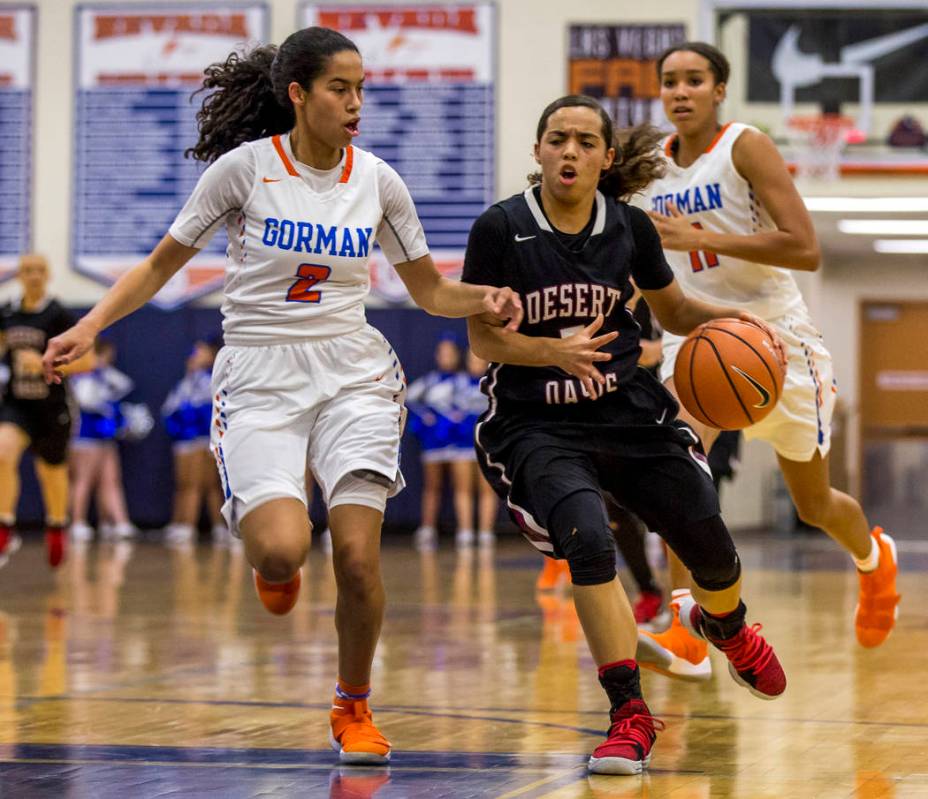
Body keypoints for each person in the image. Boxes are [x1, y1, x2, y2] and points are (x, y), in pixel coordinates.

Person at [42, 27, 521, 765]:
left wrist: (482, 298)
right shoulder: (244, 171)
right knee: (279, 549)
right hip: (261, 375)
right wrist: (89, 325)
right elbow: (160, 265)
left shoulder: (380, 182)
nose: (356, 103)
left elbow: (428, 291)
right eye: (340, 88)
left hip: (353, 371)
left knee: (359, 560)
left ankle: (352, 703)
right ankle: (276, 564)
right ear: (298, 94)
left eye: (363, 88)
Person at [463, 94, 786, 776]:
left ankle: (724, 625)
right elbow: (481, 336)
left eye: (585, 140)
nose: (570, 150)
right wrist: (552, 351)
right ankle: (629, 714)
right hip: (536, 420)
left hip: (629, 413)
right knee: (589, 539)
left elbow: (676, 309)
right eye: (557, 138)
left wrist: (746, 326)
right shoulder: (499, 228)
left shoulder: (631, 229)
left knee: (711, 548)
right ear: (538, 151)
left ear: (607, 158)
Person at [638, 42, 899, 680]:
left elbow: (805, 248)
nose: (680, 92)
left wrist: (700, 237)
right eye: (669, 81)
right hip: (695, 333)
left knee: (813, 503)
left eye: (694, 80)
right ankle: (687, 627)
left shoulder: (744, 145)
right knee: (677, 466)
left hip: (774, 335)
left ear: (719, 88)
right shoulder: (650, 169)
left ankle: (874, 560)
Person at [0, 254, 94, 568]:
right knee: (2, 452)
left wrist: (45, 363)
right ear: (19, 275)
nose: (34, 276)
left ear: (49, 274)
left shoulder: (59, 315)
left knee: (51, 474)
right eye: (28, 270)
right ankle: (5, 526)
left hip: (53, 407)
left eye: (40, 270)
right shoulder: (8, 313)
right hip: (18, 403)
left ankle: (56, 526)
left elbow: (87, 362)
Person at [406, 333, 478, 550]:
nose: (446, 357)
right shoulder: (429, 381)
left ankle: (465, 532)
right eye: (442, 353)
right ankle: (427, 530)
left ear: (458, 356)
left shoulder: (465, 381)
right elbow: (408, 398)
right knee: (432, 486)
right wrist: (427, 418)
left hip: (460, 443)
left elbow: (475, 403)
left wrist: (461, 419)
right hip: (435, 442)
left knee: (462, 487)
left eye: (450, 353)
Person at [69, 339, 138, 542]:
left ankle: (116, 522)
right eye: (106, 354)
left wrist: (103, 371)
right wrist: (106, 406)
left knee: (110, 480)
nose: (109, 359)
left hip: (104, 436)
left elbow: (125, 384)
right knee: (83, 480)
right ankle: (76, 522)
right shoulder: (80, 374)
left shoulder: (102, 374)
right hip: (84, 436)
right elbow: (85, 401)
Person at [161, 337, 228, 546]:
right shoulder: (189, 380)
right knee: (185, 484)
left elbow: (213, 411)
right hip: (185, 439)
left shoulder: (211, 379)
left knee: (203, 485)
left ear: (212, 355)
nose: (194, 354)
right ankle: (180, 522)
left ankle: (197, 526)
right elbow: (172, 408)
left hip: (202, 439)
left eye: (201, 351)